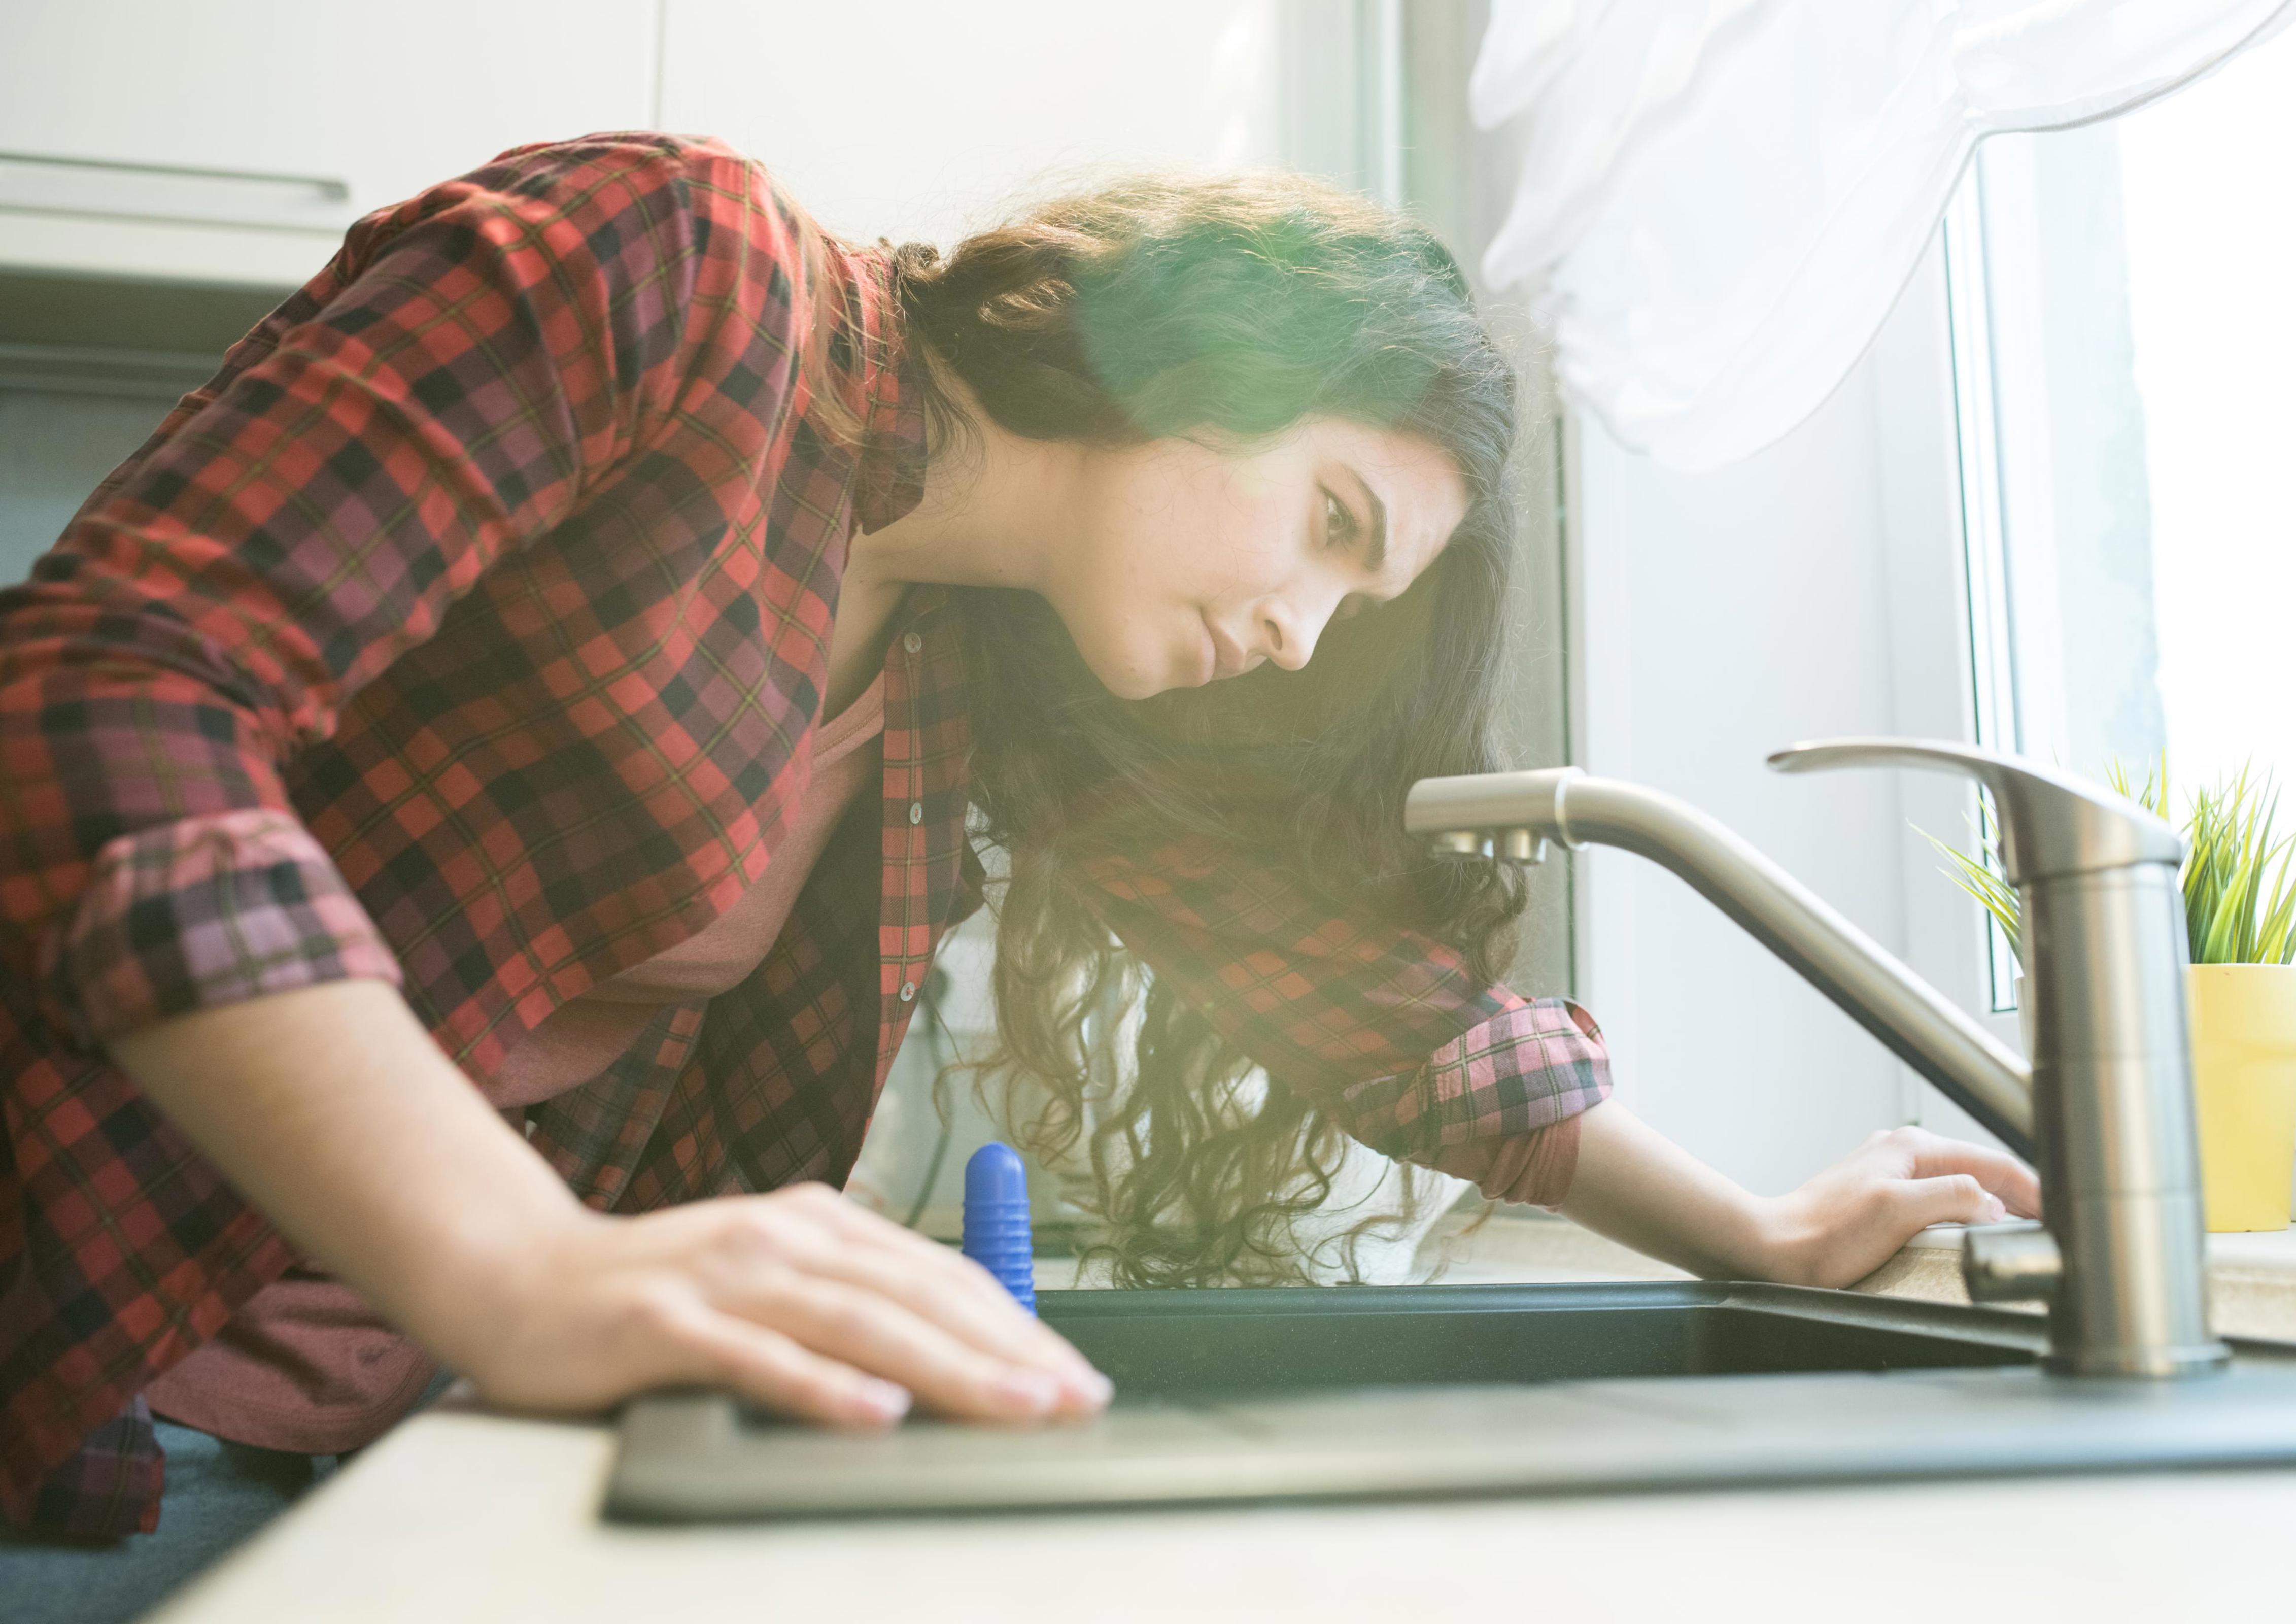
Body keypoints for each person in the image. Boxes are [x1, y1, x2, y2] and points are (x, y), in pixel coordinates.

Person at [0, 131, 2038, 1611]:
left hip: (399, 1438)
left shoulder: (985, 667)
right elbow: (106, 697)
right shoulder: (681, 272)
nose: (1307, 633)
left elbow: (1366, 1004)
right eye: (1329, 516)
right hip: (69, 1382)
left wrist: (1753, 1229)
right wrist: (522, 1271)